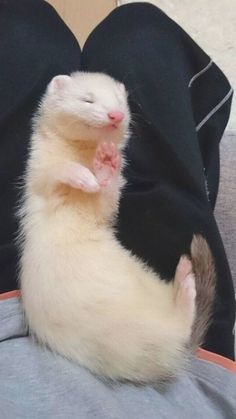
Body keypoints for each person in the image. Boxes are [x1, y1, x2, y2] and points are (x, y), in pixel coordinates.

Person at [0, 1, 235, 418]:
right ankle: (181, 319)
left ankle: (177, 320)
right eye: (89, 100)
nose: (112, 112)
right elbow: (57, 188)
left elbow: (93, 215)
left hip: (15, 310)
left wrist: (100, 183)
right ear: (58, 95)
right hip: (192, 381)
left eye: (116, 105)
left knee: (20, 24)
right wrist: (87, 179)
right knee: (140, 32)